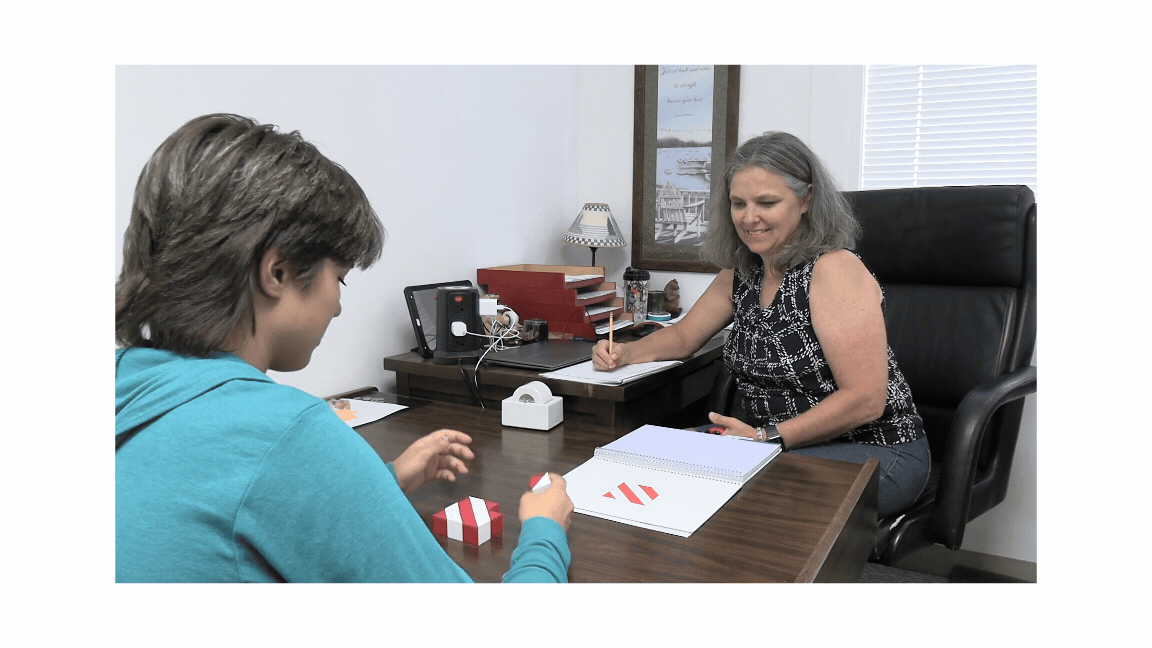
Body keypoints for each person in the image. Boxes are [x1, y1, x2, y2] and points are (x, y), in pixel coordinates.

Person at [115, 114, 573, 582]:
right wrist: (544, 532)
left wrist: (379, 484)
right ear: (277, 273)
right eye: (340, 278)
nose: (336, 306)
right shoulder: (287, 437)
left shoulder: (124, 388)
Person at [593, 132, 929, 519]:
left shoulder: (834, 269)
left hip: (879, 450)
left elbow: (865, 400)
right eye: (738, 203)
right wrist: (623, 352)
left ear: (806, 200)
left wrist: (765, 438)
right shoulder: (744, 270)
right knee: (642, 462)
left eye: (767, 202)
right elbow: (686, 336)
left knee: (732, 505)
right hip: (767, 444)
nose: (748, 217)